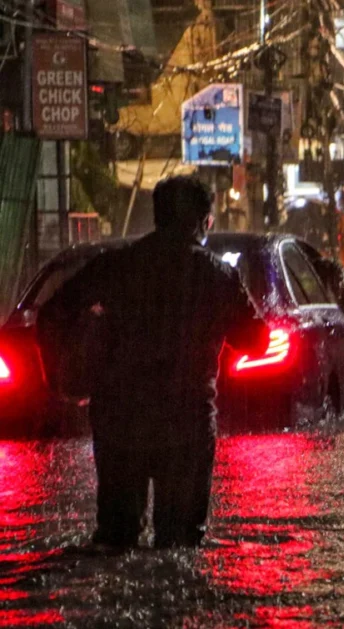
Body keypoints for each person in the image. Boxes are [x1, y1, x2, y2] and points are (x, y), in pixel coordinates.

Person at [38, 176, 267, 552]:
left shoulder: (115, 265)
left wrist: (61, 380)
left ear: (157, 217)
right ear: (202, 222)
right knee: (179, 545)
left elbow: (52, 314)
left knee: (115, 540)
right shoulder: (217, 275)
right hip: (186, 423)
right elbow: (256, 339)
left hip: (119, 419)